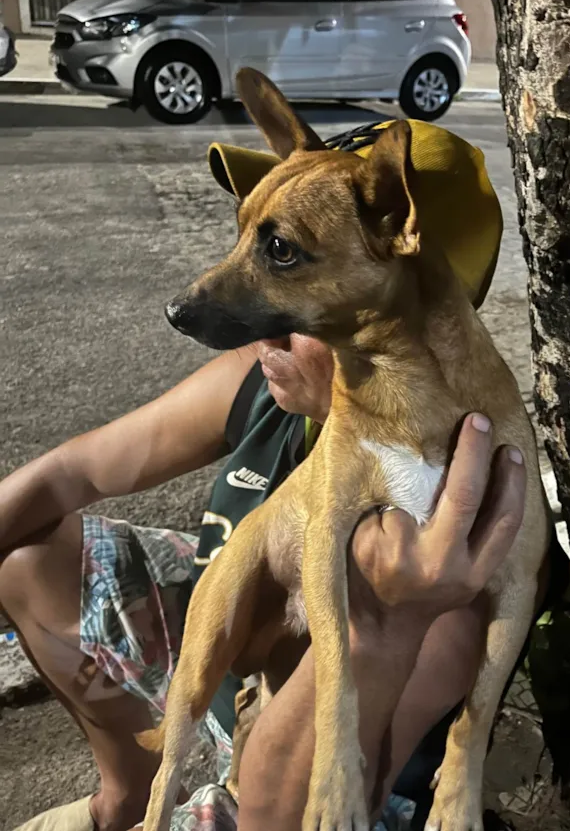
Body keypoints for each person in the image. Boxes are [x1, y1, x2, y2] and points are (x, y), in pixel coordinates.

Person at [0, 121, 531, 831]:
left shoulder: (454, 535)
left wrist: (383, 618)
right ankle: (123, 795)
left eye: (284, 257)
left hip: (283, 776)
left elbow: (277, 808)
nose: (262, 331)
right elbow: (69, 473)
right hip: (214, 650)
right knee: (30, 557)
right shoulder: (257, 380)